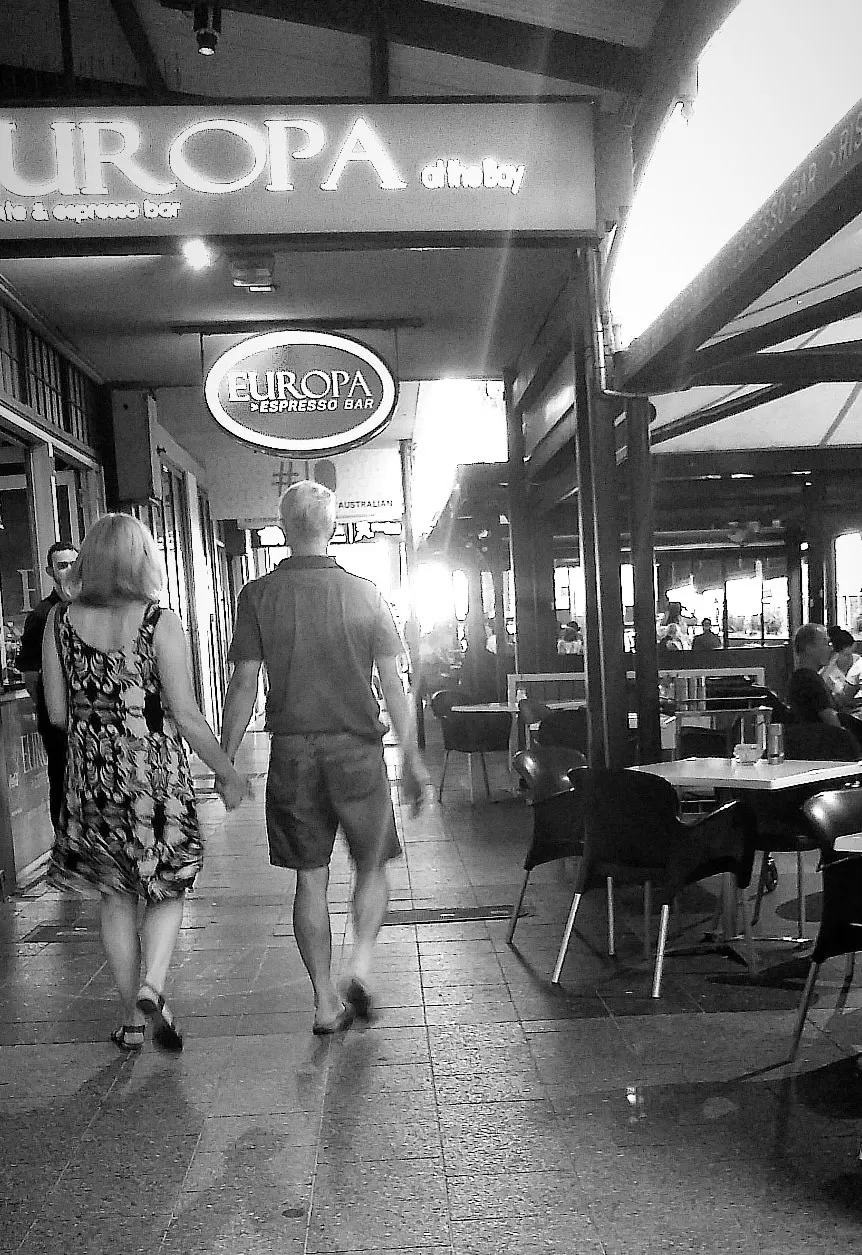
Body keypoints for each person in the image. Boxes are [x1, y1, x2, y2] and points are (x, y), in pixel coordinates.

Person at [219, 481, 430, 1035]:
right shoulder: (366, 594)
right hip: (357, 750)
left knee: (309, 880)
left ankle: (321, 1001)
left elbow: (243, 682)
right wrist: (410, 756)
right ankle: (359, 963)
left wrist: (226, 758)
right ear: (331, 527)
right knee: (372, 865)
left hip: (292, 753)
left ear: (284, 527)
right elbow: (394, 681)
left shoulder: (258, 596)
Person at [41, 514, 250, 1055]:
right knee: (167, 884)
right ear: (142, 560)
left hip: (90, 780)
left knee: (114, 897)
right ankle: (152, 988)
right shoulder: (161, 622)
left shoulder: (59, 622)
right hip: (152, 776)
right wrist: (225, 771)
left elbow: (59, 714)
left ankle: (133, 1019)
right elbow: (185, 713)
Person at [17, 541, 78, 828]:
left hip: (87, 718)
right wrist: (51, 702)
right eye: (61, 565)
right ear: (49, 571)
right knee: (62, 781)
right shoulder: (42, 616)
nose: (68, 571)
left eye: (73, 563)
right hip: (58, 722)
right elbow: (30, 675)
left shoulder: (88, 611)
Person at [786, 622, 841, 726]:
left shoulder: (800, 677)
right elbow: (831, 720)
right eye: (826, 643)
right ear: (809, 648)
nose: (831, 648)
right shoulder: (809, 680)